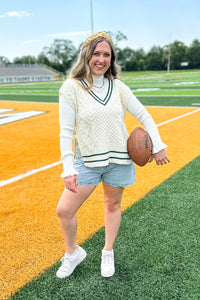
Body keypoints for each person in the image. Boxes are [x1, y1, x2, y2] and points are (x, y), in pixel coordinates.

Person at [56, 31, 170, 278]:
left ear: (112, 59)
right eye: (96, 53)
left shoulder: (117, 87)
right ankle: (72, 252)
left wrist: (158, 145)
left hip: (118, 159)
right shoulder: (71, 88)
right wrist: (68, 167)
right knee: (64, 210)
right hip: (87, 160)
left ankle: (108, 251)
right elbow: (65, 132)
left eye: (106, 54)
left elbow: (144, 116)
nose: (101, 59)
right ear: (87, 55)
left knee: (112, 205)